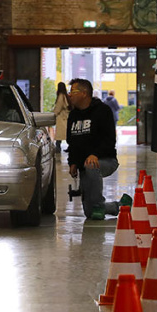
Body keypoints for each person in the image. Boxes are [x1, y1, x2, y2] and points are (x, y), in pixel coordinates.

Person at [65, 78, 119, 220]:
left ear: (84, 93)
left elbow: (110, 140)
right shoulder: (73, 115)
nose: (69, 95)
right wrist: (72, 162)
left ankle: (98, 205)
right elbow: (72, 143)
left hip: (106, 160)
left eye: (72, 91)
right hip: (84, 165)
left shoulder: (103, 111)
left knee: (91, 165)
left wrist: (95, 154)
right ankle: (119, 206)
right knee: (90, 212)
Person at [52, 81, 70, 152]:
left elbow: (58, 107)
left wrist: (54, 114)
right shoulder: (66, 96)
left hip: (61, 117)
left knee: (59, 134)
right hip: (65, 117)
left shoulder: (61, 96)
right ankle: (68, 147)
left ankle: (58, 148)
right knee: (66, 134)